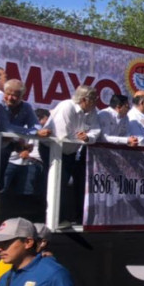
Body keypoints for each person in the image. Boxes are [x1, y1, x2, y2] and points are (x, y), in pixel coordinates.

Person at [44, 85, 101, 223]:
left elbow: (96, 130)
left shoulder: (92, 111)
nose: (96, 102)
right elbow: (62, 135)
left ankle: (60, 218)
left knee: (63, 186)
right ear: (84, 99)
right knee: (55, 184)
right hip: (52, 149)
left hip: (70, 152)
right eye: (94, 99)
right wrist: (81, 137)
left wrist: (88, 138)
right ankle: (51, 219)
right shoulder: (66, 107)